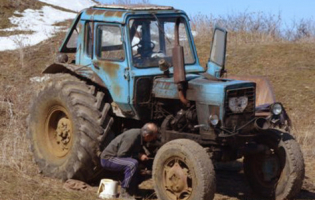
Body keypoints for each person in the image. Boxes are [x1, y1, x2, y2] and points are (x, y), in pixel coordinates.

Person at [100, 123, 158, 200]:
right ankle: (124, 192)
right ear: (147, 135)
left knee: (143, 166)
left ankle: (133, 189)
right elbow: (121, 154)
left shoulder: (139, 137)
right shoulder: (133, 136)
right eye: (153, 137)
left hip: (118, 158)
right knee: (132, 164)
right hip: (109, 158)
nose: (153, 139)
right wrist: (139, 156)